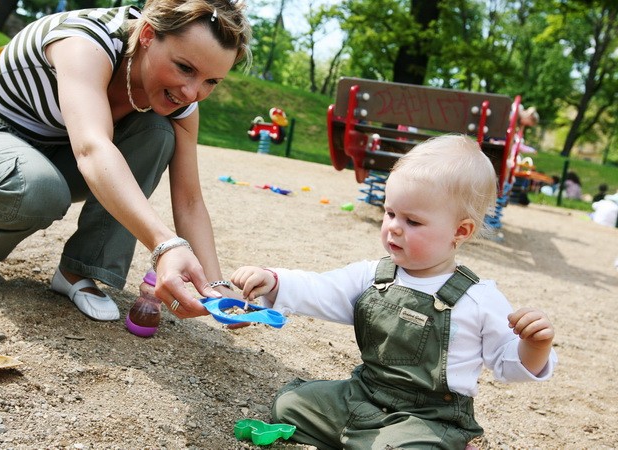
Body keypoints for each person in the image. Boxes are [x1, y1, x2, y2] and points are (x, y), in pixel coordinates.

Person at [231, 135, 557, 449]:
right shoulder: (374, 275)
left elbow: (508, 363)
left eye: (412, 221)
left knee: (404, 445)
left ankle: (441, 444)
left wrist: (535, 345)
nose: (394, 227)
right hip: (365, 395)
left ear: (459, 231)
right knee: (290, 404)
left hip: (429, 419)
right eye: (390, 213)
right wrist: (274, 281)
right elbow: (323, 289)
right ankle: (364, 437)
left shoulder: (478, 298)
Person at [0, 0, 251, 321]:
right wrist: (165, 245)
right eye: (185, 68)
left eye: (211, 81)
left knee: (158, 131)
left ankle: (78, 271)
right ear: (146, 34)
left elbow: (189, 201)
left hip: (60, 154)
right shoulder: (85, 42)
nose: (191, 92)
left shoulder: (181, 100)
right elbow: (91, 149)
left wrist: (216, 286)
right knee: (37, 188)